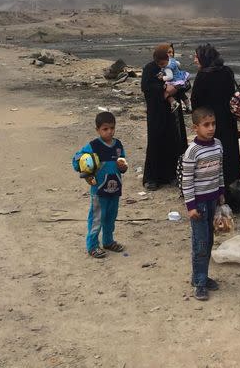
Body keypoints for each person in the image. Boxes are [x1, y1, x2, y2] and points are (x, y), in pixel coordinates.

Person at [181, 107, 225, 301]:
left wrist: (221, 193)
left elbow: (220, 171)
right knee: (200, 243)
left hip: (213, 200)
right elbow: (187, 180)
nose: (211, 128)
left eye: (213, 124)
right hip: (198, 204)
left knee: (209, 241)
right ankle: (199, 282)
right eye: (206, 125)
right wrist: (190, 206)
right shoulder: (192, 151)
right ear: (195, 127)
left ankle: (203, 276)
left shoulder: (218, 145)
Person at [72, 110, 128, 259]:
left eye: (112, 128)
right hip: (99, 190)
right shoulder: (93, 146)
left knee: (111, 216)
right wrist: (84, 167)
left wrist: (123, 167)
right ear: (98, 130)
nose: (109, 132)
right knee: (97, 218)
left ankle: (108, 241)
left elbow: (123, 162)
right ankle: (92, 245)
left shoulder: (118, 145)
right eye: (105, 129)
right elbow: (76, 159)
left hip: (115, 189)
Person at [191, 43, 240, 202]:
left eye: (196, 57)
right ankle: (236, 196)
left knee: (213, 159)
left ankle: (216, 196)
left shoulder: (203, 76)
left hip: (210, 124)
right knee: (230, 157)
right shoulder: (227, 71)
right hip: (228, 122)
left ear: (204, 58)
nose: (194, 60)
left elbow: (195, 102)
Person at [141, 44, 188, 191]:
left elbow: (186, 83)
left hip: (173, 112)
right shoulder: (150, 68)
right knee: (156, 141)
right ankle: (152, 178)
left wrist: (177, 88)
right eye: (167, 53)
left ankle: (173, 175)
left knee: (174, 141)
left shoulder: (174, 67)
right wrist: (163, 89)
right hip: (156, 112)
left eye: (171, 53)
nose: (170, 55)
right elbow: (146, 87)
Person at [163, 43, 192, 113]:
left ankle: (173, 102)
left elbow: (170, 77)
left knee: (164, 92)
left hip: (174, 81)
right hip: (181, 80)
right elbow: (179, 64)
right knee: (181, 93)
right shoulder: (173, 61)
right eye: (169, 52)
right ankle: (188, 106)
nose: (171, 54)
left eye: (172, 52)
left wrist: (162, 78)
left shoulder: (167, 65)